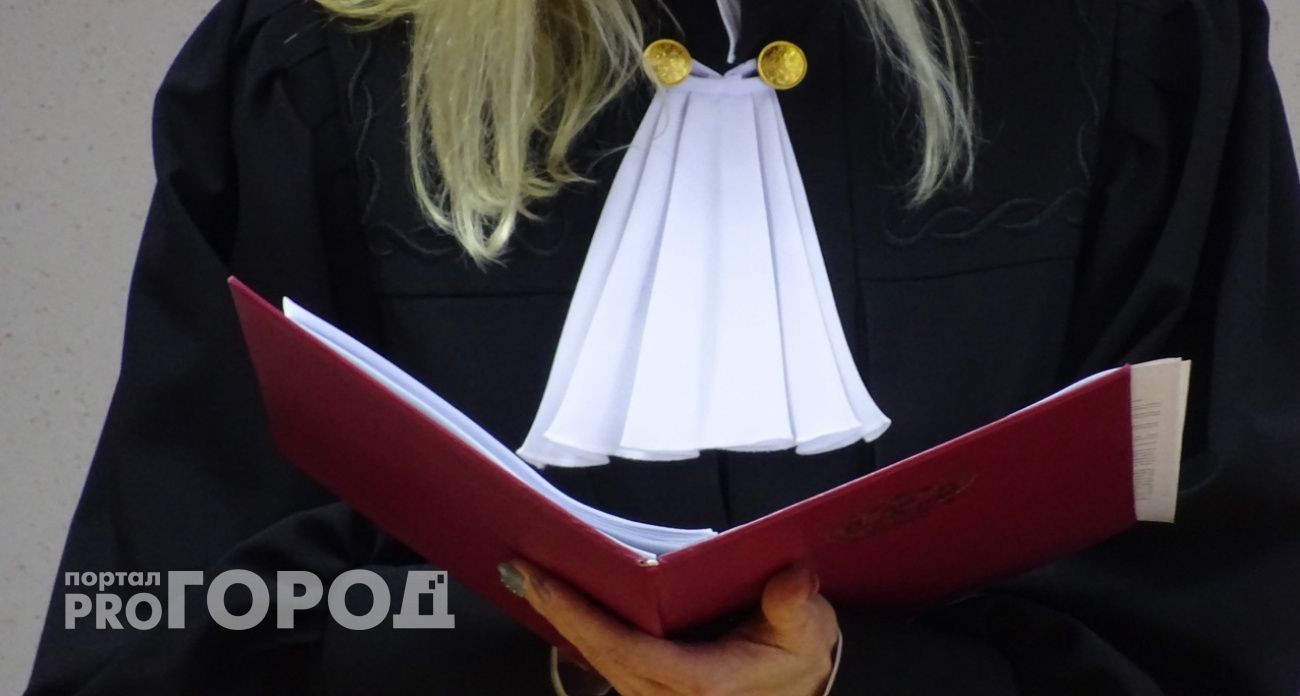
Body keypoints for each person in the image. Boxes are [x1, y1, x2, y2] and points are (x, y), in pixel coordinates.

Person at [24, 0, 1300, 693]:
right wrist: (544, 663)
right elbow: (171, 604)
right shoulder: (307, 59)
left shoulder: (1134, 41)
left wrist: (867, 679)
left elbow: (1235, 596)